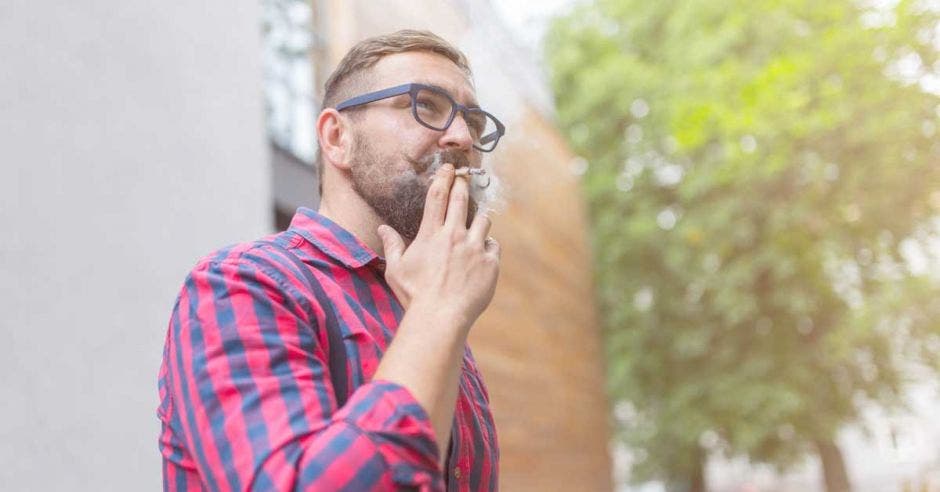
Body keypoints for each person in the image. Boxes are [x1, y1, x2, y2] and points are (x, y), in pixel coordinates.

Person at [157, 30, 506, 491]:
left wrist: (436, 312)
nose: (462, 137)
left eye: (474, 122)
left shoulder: (429, 308)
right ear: (337, 137)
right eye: (426, 105)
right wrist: (438, 314)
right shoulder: (242, 286)